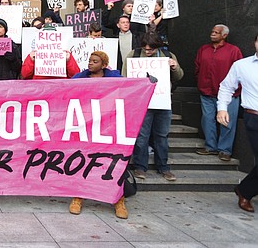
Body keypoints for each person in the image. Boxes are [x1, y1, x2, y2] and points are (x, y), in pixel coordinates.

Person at [69, 51, 127, 219]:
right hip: (85, 125)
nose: (90, 64)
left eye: (95, 61)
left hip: (108, 127)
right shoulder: (79, 79)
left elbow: (131, 88)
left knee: (112, 163)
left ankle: (118, 200)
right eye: (89, 61)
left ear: (103, 65)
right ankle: (77, 197)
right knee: (81, 160)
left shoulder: (115, 79)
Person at [123, 32, 184, 182]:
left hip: (163, 102)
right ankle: (140, 166)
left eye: (151, 49)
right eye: (145, 48)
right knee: (142, 136)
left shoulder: (168, 55)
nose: (147, 51)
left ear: (158, 47)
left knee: (162, 136)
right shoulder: (134, 55)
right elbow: (125, 77)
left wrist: (174, 67)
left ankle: (163, 166)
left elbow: (179, 76)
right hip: (141, 103)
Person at [217, 34, 258, 213]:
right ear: (255, 42)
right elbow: (226, 87)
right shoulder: (242, 65)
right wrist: (222, 108)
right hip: (254, 117)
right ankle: (245, 191)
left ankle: (245, 189)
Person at [195, 25, 243, 161]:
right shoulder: (203, 49)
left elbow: (240, 72)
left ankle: (225, 150)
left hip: (229, 94)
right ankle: (210, 146)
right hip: (206, 91)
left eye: (217, 33)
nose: (213, 34)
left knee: (227, 121)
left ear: (224, 35)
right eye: (212, 32)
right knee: (207, 120)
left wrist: (236, 90)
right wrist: (200, 81)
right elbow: (197, 67)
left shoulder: (233, 51)